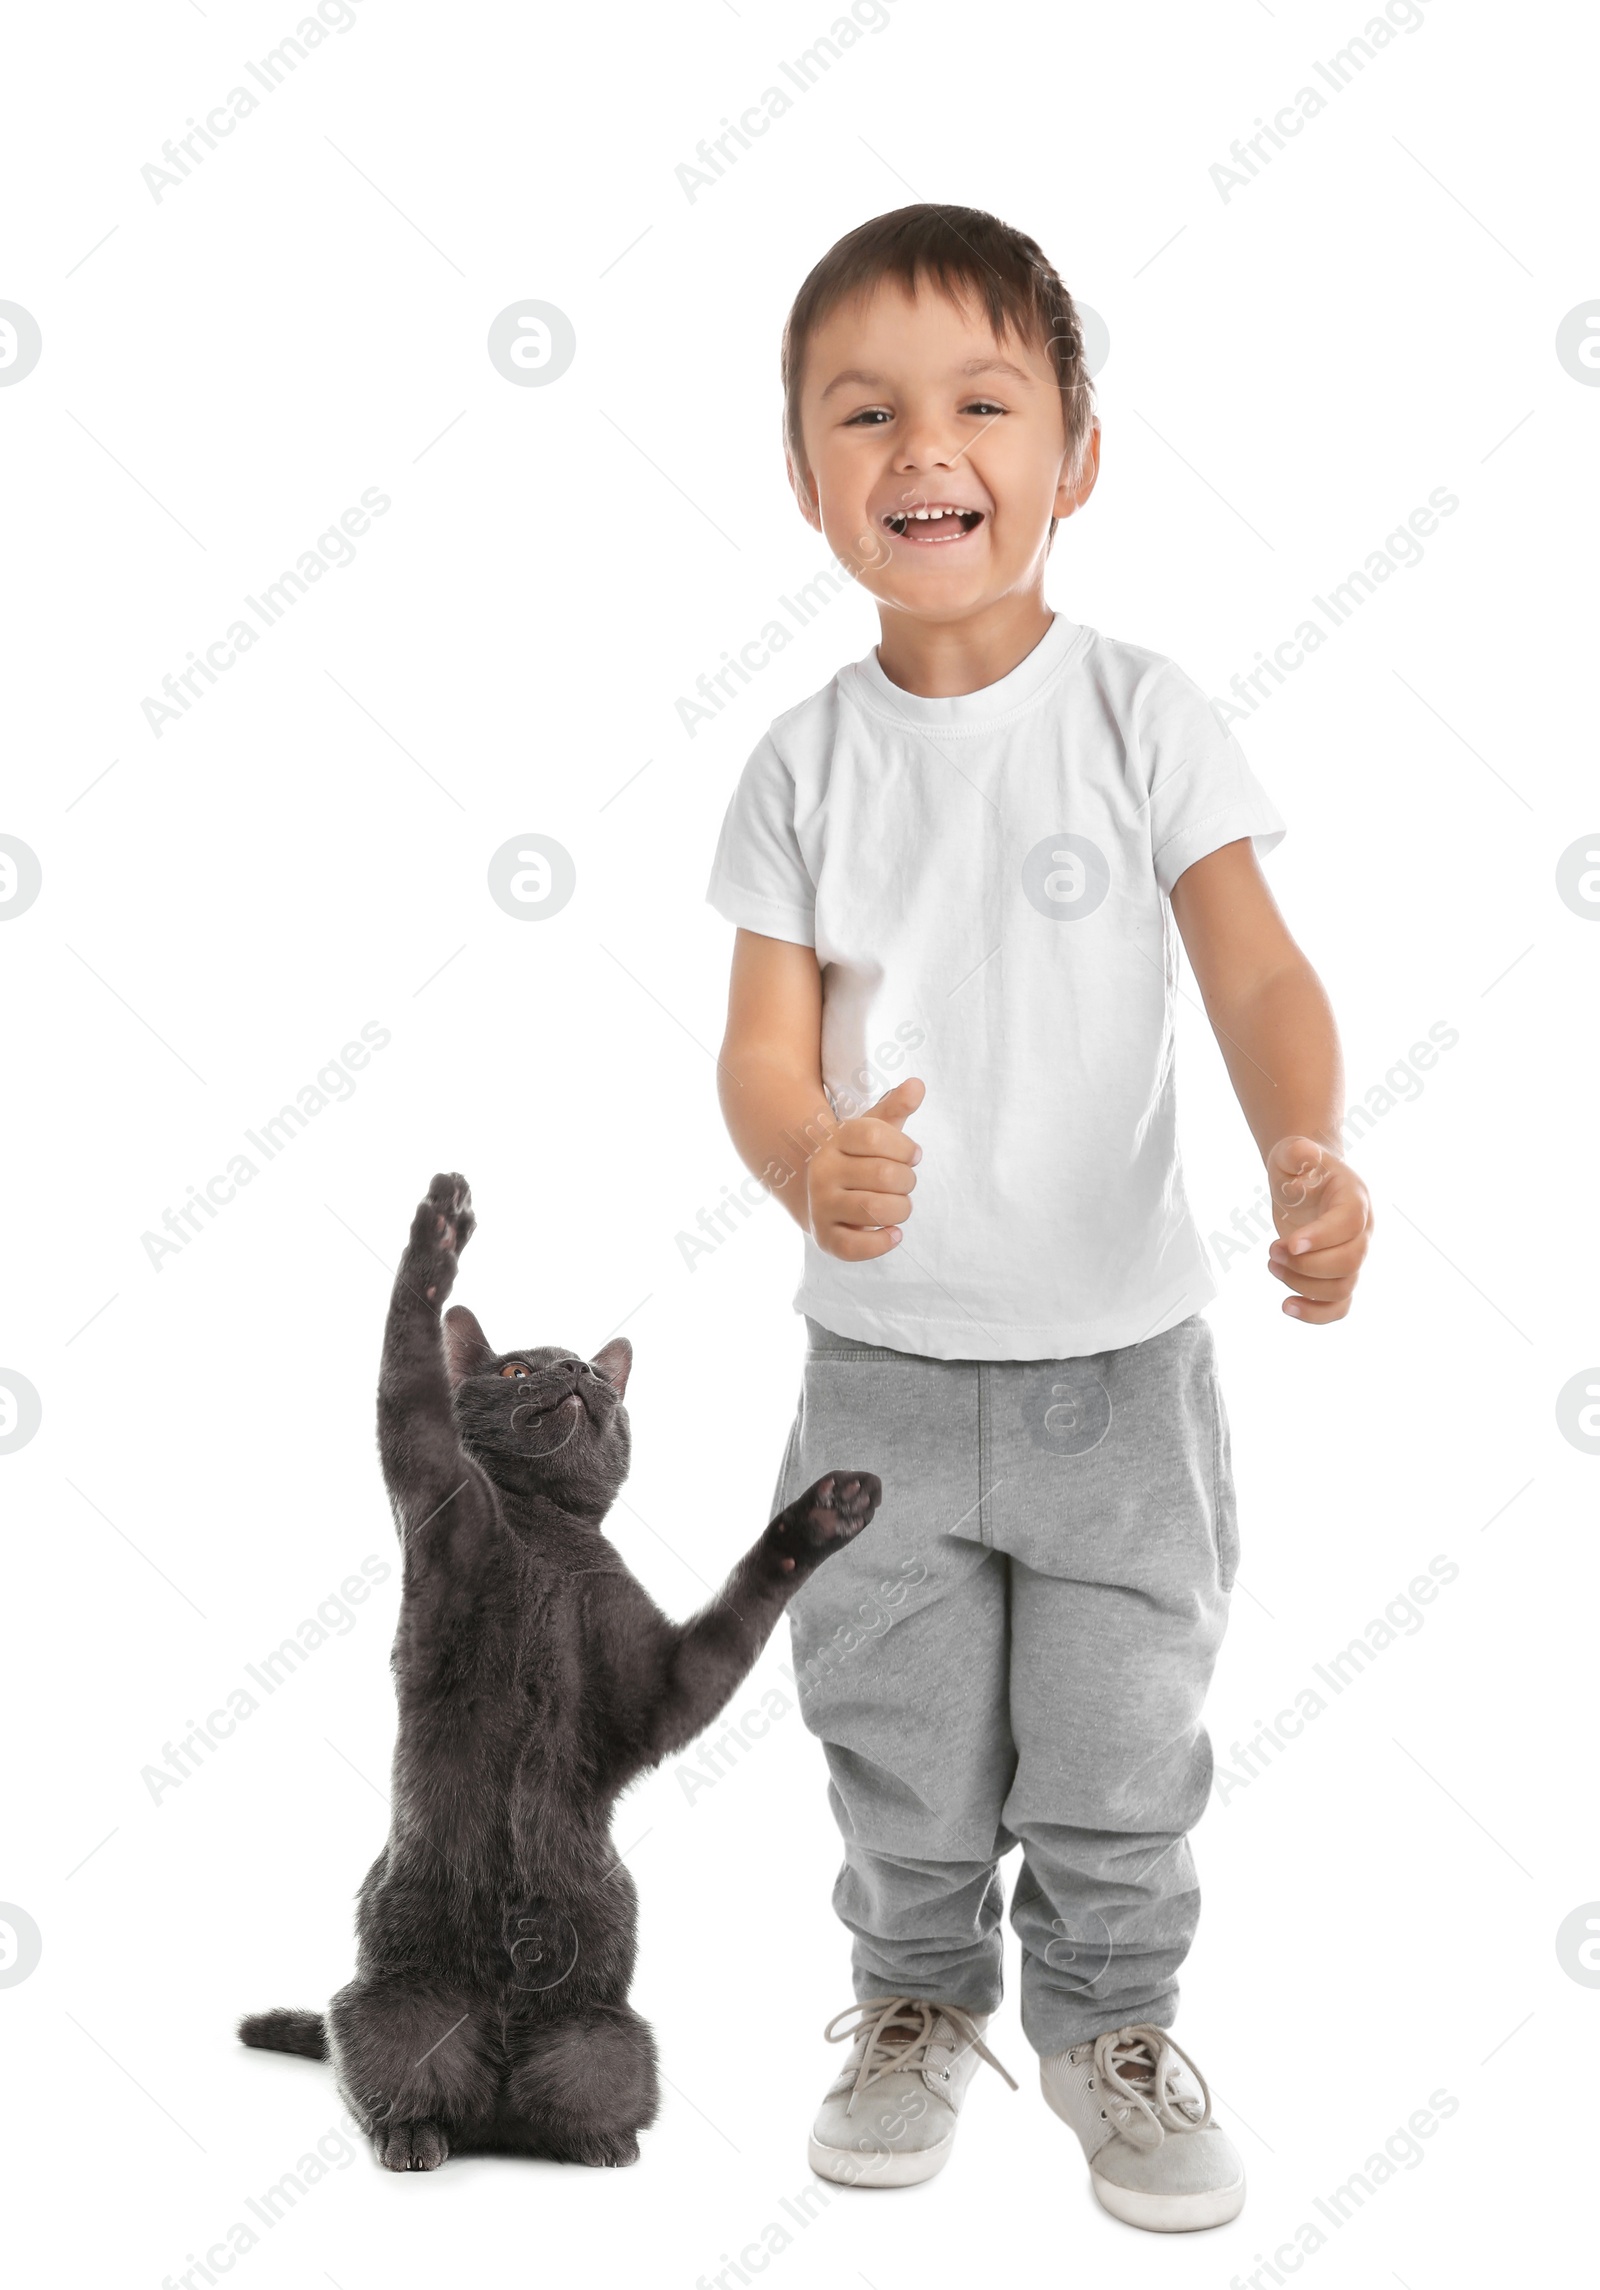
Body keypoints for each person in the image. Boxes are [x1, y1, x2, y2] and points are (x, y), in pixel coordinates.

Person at [706, 204, 1372, 2234]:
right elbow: (751, 1053)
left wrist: (1307, 1147)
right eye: (864, 411)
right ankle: (911, 1993)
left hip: (1115, 1371)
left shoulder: (1140, 714)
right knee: (891, 1729)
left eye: (981, 401)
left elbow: (1256, 973)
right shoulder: (803, 763)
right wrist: (803, 1149)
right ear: (803, 474)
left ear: (1071, 453)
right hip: (879, 1381)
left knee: (1112, 1733)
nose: (925, 447)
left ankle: (1107, 2023)